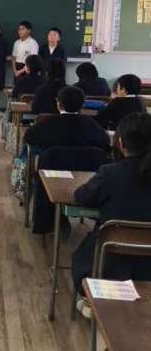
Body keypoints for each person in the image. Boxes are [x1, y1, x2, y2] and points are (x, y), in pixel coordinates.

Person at [72, 113, 151, 314]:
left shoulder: (110, 173)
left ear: (121, 143)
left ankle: (92, 303)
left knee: (83, 255)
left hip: (108, 264)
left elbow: (82, 197)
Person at [24, 86, 111, 152]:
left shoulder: (47, 122)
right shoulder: (90, 123)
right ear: (82, 105)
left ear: (58, 104)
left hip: (52, 165)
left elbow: (29, 137)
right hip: (87, 166)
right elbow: (105, 141)